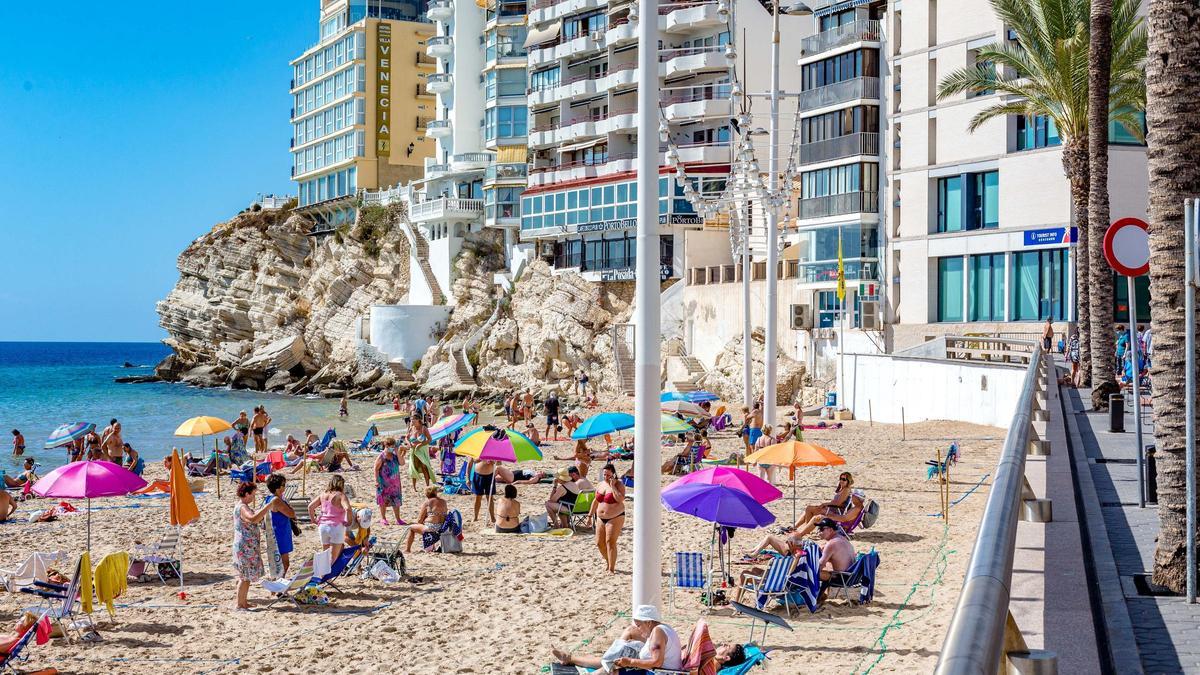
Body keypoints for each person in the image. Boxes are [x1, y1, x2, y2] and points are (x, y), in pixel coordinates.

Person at [552, 605, 682, 672]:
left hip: (660, 673)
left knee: (612, 669)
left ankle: (574, 661)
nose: (639, 629)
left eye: (639, 625)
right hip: (659, 670)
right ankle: (570, 658)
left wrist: (630, 662)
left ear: (648, 622)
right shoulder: (662, 628)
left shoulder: (658, 632)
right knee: (614, 660)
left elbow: (656, 663)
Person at [232, 481, 278, 610]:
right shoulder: (242, 507)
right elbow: (252, 519)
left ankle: (244, 602)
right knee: (244, 577)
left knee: (246, 576)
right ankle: (240, 605)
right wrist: (267, 507)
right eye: (252, 494)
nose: (253, 497)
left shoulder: (242, 506)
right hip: (244, 546)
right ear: (246, 493)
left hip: (247, 545)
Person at [586, 464, 626, 573]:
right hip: (600, 517)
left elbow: (620, 499)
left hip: (615, 516)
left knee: (610, 541)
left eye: (608, 475)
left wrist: (613, 486)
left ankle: (611, 569)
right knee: (599, 543)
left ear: (613, 474)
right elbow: (596, 501)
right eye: (604, 474)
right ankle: (609, 562)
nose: (606, 477)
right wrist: (589, 516)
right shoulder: (600, 485)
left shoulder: (619, 484)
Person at [307, 475, 353, 563]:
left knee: (325, 555)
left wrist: (313, 519)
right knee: (333, 558)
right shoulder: (340, 495)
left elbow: (310, 507)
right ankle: (326, 576)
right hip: (336, 527)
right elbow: (348, 508)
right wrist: (349, 521)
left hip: (323, 526)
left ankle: (323, 574)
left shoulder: (323, 494)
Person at [264, 473, 297, 577]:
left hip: (279, 532)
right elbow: (291, 514)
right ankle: (278, 587)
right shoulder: (277, 500)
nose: (285, 487)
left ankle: (278, 587)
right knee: (283, 564)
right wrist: (290, 508)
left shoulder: (270, 498)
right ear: (278, 487)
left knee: (281, 563)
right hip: (279, 533)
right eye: (283, 485)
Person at [405, 486, 449, 552]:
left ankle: (407, 550)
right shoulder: (443, 501)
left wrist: (424, 521)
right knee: (428, 527)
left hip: (431, 527)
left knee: (411, 528)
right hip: (442, 527)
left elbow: (419, 520)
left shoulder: (428, 502)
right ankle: (431, 545)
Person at [374, 438, 404, 526]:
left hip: (395, 483)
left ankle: (398, 519)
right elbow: (376, 469)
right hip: (383, 483)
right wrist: (376, 481)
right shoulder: (381, 456)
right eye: (391, 447)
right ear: (386, 446)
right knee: (383, 500)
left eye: (394, 447)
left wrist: (397, 452)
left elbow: (402, 463)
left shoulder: (395, 456)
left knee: (396, 501)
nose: (393, 448)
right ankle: (383, 518)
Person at [406, 416, 434, 491]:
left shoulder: (423, 428)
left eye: (414, 419)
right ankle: (414, 487)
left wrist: (420, 444)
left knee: (424, 467)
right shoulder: (411, 428)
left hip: (422, 450)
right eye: (411, 420)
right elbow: (406, 438)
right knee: (413, 468)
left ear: (419, 420)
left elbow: (430, 439)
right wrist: (409, 443)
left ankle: (427, 485)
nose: (412, 421)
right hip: (413, 451)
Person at [470, 457, 497, 522]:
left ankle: (492, 517)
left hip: (490, 475)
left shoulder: (492, 451)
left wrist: (493, 461)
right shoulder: (477, 450)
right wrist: (468, 478)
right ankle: (475, 517)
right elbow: (470, 463)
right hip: (478, 475)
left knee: (490, 498)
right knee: (478, 498)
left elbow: (499, 463)